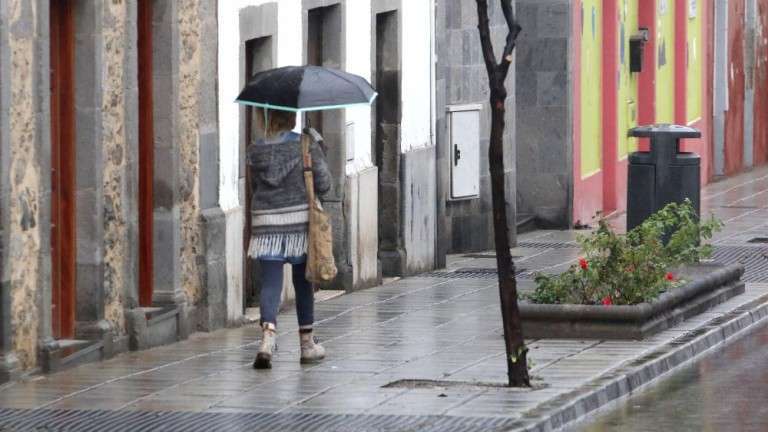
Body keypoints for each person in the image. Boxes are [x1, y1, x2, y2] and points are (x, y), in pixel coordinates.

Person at [246, 108, 332, 369]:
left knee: (270, 283)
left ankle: (267, 339)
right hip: (298, 223)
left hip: (266, 223)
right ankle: (307, 345)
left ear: (267, 118)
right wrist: (319, 150)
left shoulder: (255, 150)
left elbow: (253, 187)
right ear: (291, 117)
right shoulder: (304, 144)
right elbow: (324, 184)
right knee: (303, 281)